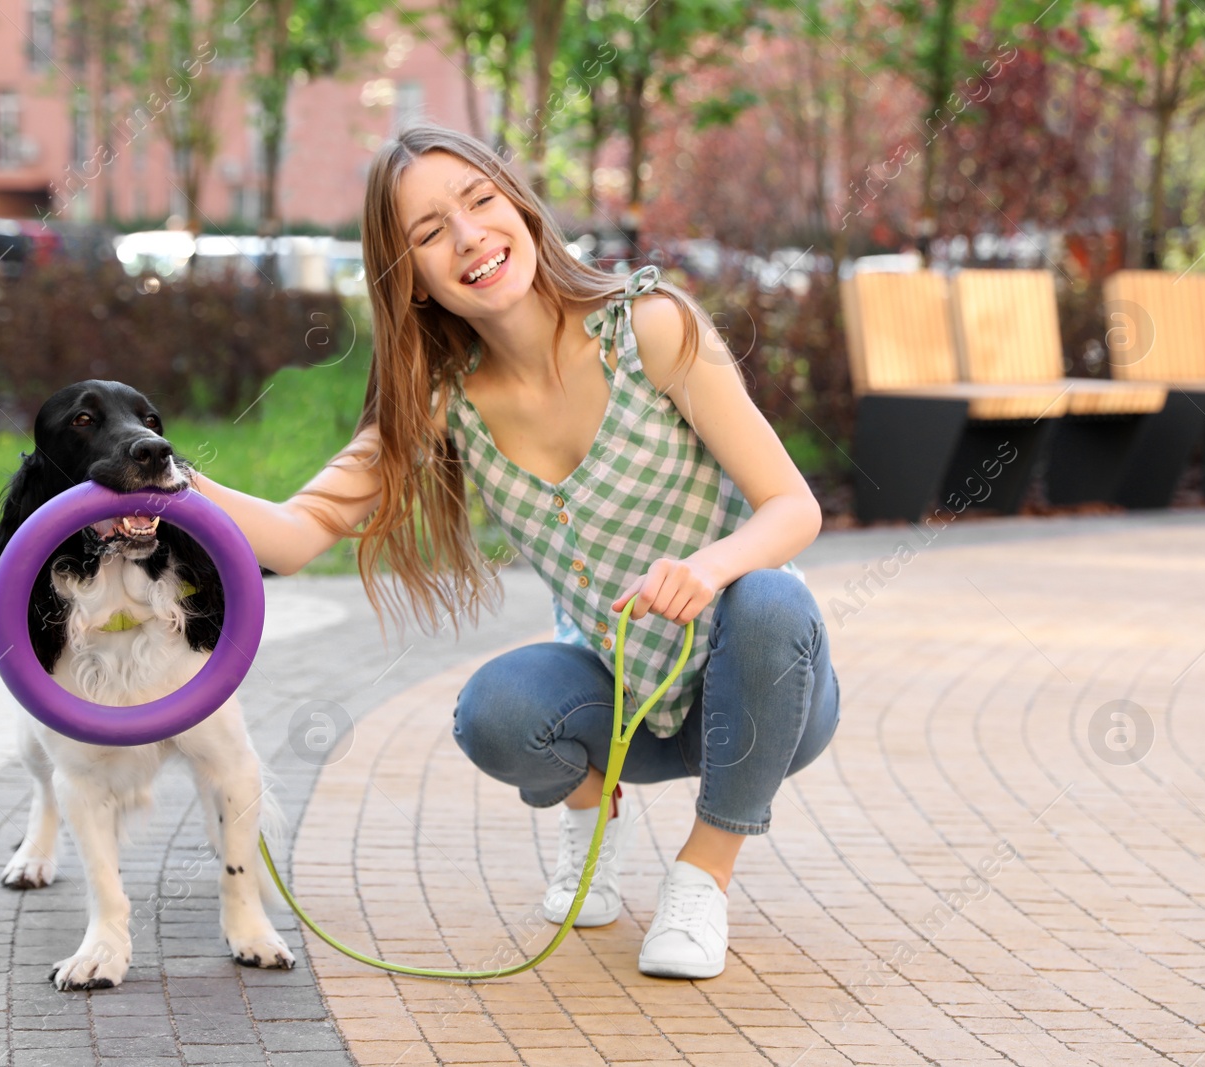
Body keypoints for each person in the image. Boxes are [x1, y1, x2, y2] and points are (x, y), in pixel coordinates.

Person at [191, 122, 840, 980]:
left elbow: (794, 506)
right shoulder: (440, 399)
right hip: (626, 709)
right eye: (428, 233)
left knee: (773, 599)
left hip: (760, 697)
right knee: (492, 710)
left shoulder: (652, 327)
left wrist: (709, 566)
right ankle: (594, 817)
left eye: (480, 201)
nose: (468, 238)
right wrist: (158, 478)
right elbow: (295, 532)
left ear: (523, 210)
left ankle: (702, 876)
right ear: (411, 279)